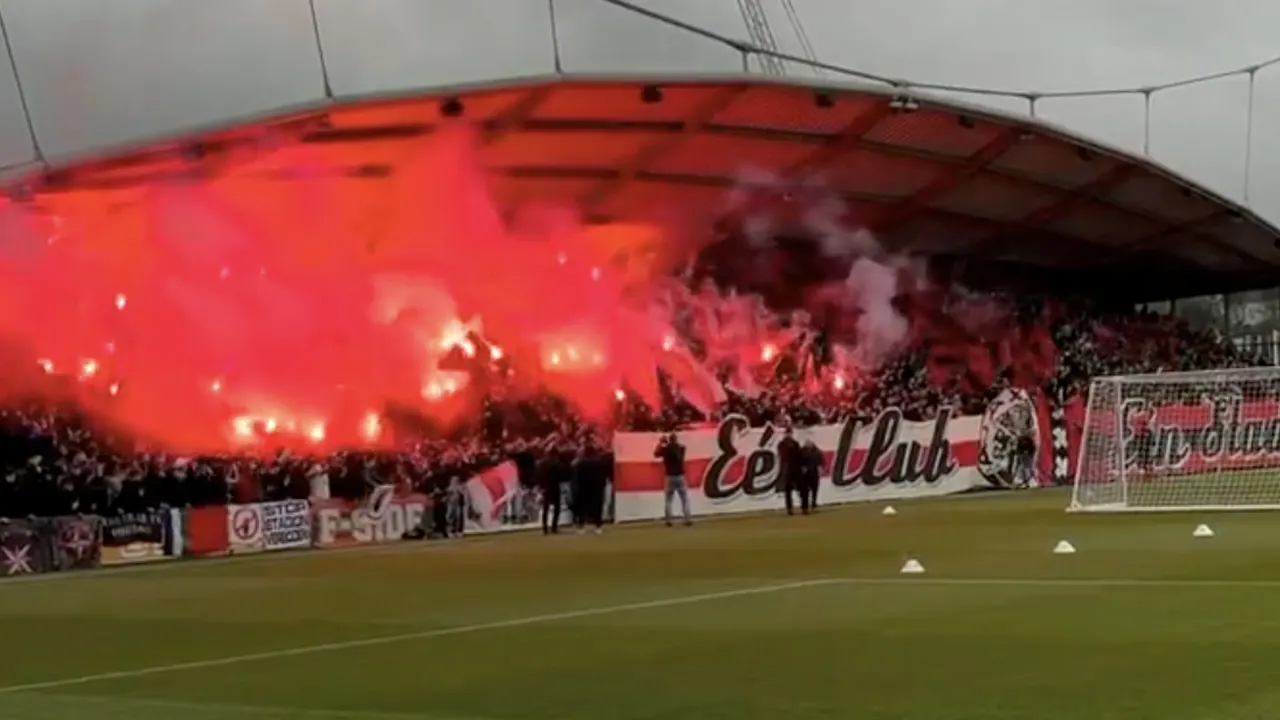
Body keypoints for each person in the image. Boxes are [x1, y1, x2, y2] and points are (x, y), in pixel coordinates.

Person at [654, 432, 691, 527]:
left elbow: (656, 454)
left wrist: (661, 443)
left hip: (669, 476)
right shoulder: (681, 448)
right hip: (680, 476)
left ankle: (669, 520)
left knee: (668, 500)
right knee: (684, 499)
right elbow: (679, 449)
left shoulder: (666, 449)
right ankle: (687, 519)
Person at [776, 426, 802, 515]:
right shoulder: (790, 444)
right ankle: (791, 509)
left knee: (796, 490)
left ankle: (798, 507)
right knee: (789, 491)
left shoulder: (784, 444)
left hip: (792, 468)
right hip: (790, 469)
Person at [537, 448, 563, 534]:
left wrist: (541, 486)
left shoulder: (541, 463)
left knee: (545, 507)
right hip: (554, 487)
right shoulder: (555, 464)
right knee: (557, 508)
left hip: (545, 487)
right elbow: (559, 475)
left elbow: (539, 475)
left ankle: (545, 527)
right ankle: (554, 527)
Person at [799, 434, 823, 513]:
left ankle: (812, 503)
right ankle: (807, 504)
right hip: (807, 472)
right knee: (807, 490)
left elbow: (820, 461)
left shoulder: (816, 451)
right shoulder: (803, 451)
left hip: (812, 471)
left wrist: (820, 467)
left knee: (814, 489)